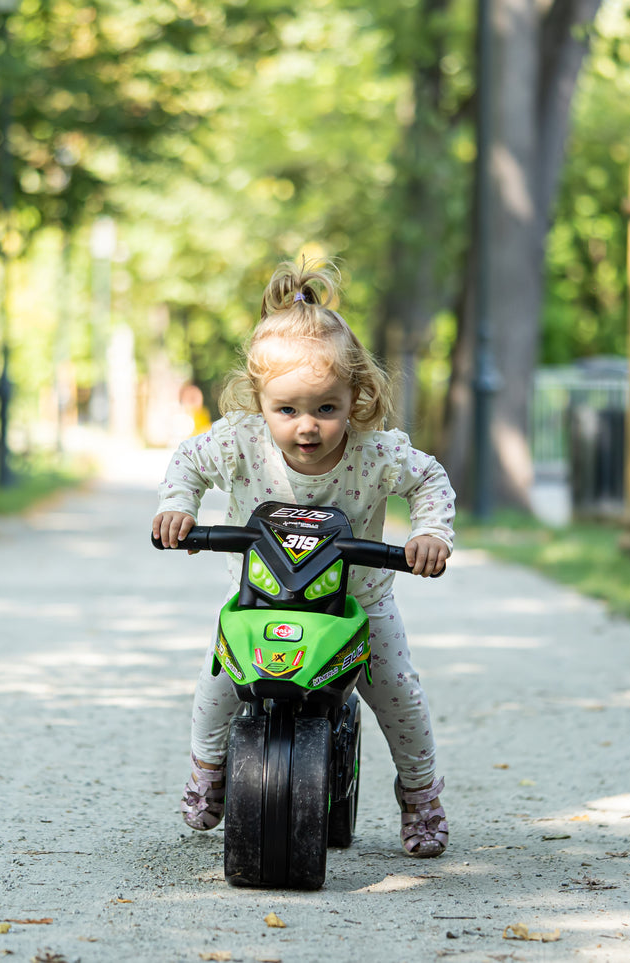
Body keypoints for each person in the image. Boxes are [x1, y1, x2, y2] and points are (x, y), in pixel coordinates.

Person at [152, 259, 454, 858]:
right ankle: (209, 768)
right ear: (258, 398)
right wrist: (177, 507)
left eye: (326, 409)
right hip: (261, 597)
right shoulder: (240, 440)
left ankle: (421, 793)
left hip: (358, 603)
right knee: (221, 679)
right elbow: (187, 462)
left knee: (398, 690)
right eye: (287, 410)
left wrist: (432, 534)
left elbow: (430, 481)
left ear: (356, 397)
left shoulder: (375, 453)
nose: (307, 427)